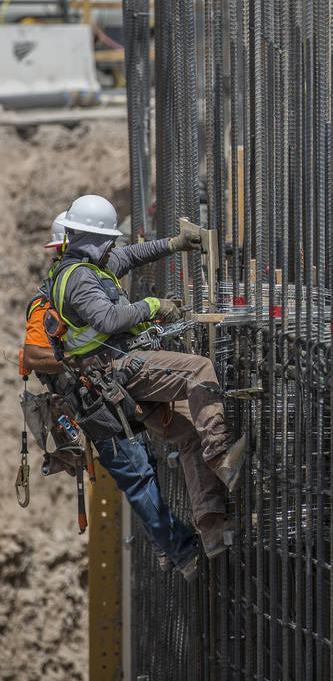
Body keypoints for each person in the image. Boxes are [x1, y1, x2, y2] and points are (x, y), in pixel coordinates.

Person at [47, 194, 246, 556]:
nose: (114, 249)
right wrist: (153, 306)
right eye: (109, 242)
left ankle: (211, 527)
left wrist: (174, 244)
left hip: (113, 381)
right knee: (199, 370)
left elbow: (132, 255)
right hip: (117, 371)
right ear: (94, 240)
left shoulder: (91, 265)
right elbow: (106, 319)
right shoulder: (79, 280)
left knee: (187, 435)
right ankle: (221, 457)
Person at [22, 213, 201, 577]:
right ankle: (182, 551)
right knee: (137, 474)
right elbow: (31, 355)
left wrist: (172, 244)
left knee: (145, 466)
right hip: (95, 402)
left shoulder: (82, 277)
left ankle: (168, 545)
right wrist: (79, 358)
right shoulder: (50, 303)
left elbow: (130, 255)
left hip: (111, 394)